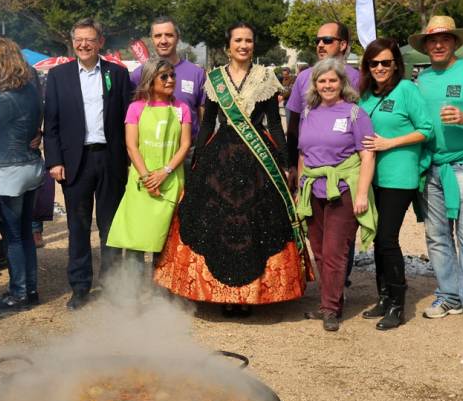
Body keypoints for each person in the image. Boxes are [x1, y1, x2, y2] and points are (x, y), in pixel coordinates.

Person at [154, 22, 307, 317]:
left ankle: (249, 294)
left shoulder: (266, 76)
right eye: (238, 40)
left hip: (257, 160)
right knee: (218, 220)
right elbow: (208, 121)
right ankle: (224, 294)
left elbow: (274, 123)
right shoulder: (215, 79)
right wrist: (198, 158)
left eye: (248, 40)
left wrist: (284, 161)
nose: (243, 45)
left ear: (253, 45)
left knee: (255, 223)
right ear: (229, 45)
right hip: (219, 157)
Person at [43, 18, 133, 310]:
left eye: (90, 39)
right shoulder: (58, 76)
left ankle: (112, 285)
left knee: (111, 227)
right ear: (73, 42)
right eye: (79, 39)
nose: (84, 44)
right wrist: (54, 160)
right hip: (74, 162)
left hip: (110, 159)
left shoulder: (117, 74)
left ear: (100, 42)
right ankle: (80, 287)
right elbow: (52, 123)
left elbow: (127, 119)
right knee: (78, 227)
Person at [296, 58, 377, 331]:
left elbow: (367, 155)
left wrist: (362, 194)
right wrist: (300, 188)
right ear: (315, 85)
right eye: (322, 81)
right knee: (318, 249)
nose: (327, 85)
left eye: (332, 80)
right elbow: (303, 154)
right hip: (313, 188)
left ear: (342, 83)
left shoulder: (355, 114)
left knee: (334, 251)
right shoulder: (309, 112)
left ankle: (331, 308)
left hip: (342, 189)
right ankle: (328, 301)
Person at [357, 38, 433, 330]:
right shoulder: (365, 96)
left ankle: (398, 305)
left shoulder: (407, 91)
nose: (379, 68)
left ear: (396, 64)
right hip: (371, 177)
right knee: (378, 238)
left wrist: (390, 142)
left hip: (399, 177)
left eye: (386, 62)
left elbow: (426, 130)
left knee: (387, 238)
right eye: (374, 63)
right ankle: (384, 296)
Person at [410, 16, 463, 332]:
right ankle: (449, 295)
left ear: (455, 43)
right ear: (425, 46)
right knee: (437, 236)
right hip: (432, 168)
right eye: (432, 41)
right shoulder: (420, 80)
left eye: (445, 39)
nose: (438, 45)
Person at [107, 59, 191, 257]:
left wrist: (165, 172)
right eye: (164, 76)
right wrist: (147, 178)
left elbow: (185, 144)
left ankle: (158, 288)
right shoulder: (135, 108)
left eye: (173, 75)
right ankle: (133, 285)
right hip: (142, 183)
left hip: (170, 182)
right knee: (137, 239)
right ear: (150, 80)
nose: (170, 80)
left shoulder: (182, 108)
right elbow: (131, 145)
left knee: (164, 242)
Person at [0, 38, 45, 309]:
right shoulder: (31, 91)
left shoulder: (6, 99)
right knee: (25, 233)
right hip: (31, 167)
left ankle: (18, 292)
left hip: (10, 170)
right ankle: (31, 290)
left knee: (13, 236)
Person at [286, 22, 361, 189]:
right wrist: (292, 165)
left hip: (346, 174)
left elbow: (364, 127)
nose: (320, 45)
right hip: (309, 171)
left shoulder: (357, 78)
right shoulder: (304, 77)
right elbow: (293, 125)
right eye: (317, 40)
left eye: (327, 40)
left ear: (343, 45)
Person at [130, 16, 206, 138]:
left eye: (169, 35)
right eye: (158, 36)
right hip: (150, 149)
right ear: (152, 39)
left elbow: (203, 116)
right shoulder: (138, 75)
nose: (163, 41)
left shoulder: (197, 73)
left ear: (178, 38)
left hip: (189, 151)